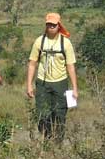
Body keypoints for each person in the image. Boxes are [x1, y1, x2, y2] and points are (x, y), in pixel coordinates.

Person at [26, 12, 78, 142]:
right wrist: (29, 85)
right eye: (48, 24)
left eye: (53, 25)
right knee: (43, 114)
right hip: (42, 84)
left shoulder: (65, 43)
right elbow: (32, 64)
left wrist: (75, 89)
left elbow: (70, 66)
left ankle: (58, 143)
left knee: (60, 114)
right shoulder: (39, 41)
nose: (51, 27)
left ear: (59, 26)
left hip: (60, 83)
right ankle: (47, 139)